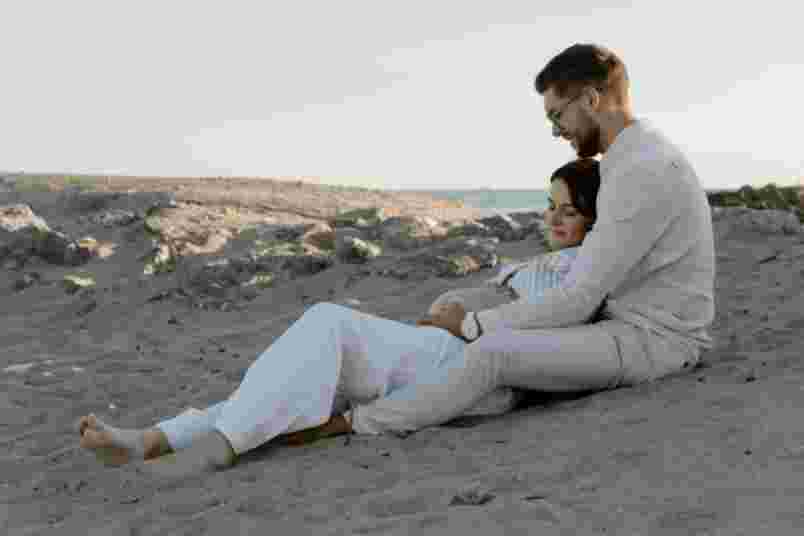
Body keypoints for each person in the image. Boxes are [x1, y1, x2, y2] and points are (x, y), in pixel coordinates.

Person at [77, 158, 603, 477]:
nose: (553, 218)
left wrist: (460, 322)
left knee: (330, 323)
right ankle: (150, 440)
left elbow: (545, 337)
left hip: (457, 361)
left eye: (570, 211)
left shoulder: (578, 270)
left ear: (597, 220)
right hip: (432, 350)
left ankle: (215, 450)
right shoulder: (541, 263)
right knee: (294, 377)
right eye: (550, 205)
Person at [341, 43, 716, 437]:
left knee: (491, 352)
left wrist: (469, 325)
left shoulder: (643, 170)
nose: (556, 130)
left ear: (591, 99)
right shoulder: (632, 159)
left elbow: (577, 299)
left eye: (557, 114)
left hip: (652, 341)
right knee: (481, 333)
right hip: (619, 324)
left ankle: (358, 423)